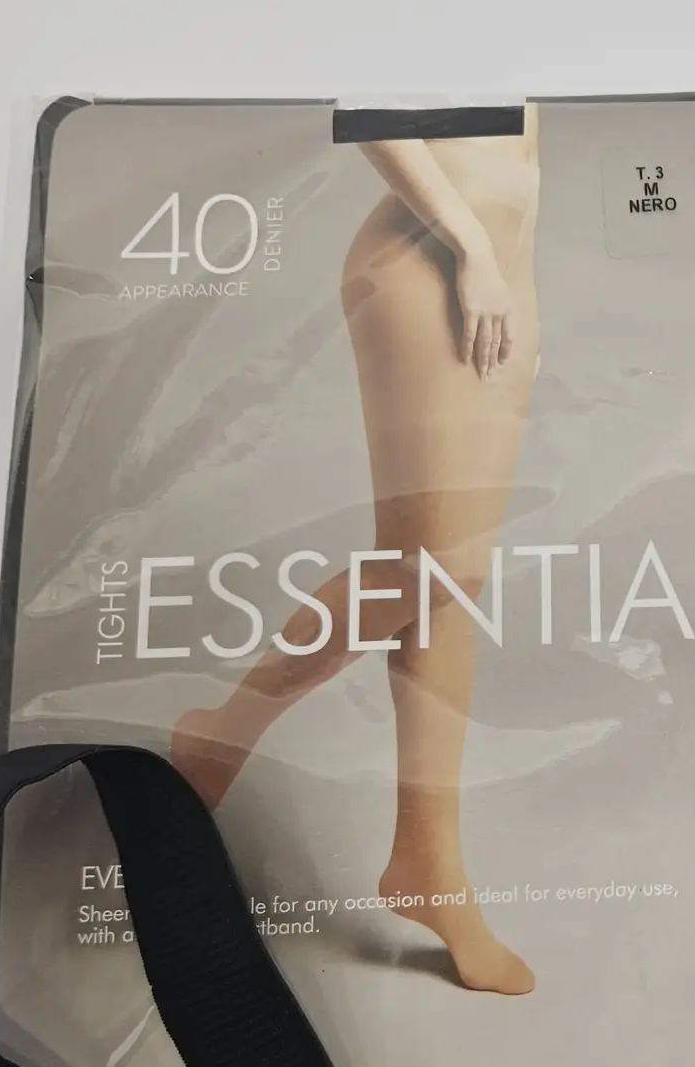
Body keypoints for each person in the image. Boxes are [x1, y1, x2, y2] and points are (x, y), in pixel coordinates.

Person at [171, 114, 541, 991]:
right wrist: (472, 249)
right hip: (436, 264)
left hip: (504, 271)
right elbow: (375, 109)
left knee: (450, 582)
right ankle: (224, 734)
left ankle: (427, 855)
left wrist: (506, 264)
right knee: (431, 570)